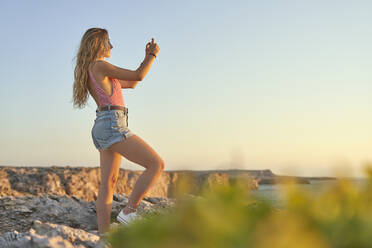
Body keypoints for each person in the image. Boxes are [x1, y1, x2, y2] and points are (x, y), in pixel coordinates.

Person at [72, 28, 164, 235]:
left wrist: (145, 57)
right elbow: (138, 76)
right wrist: (152, 55)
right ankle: (129, 211)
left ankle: (104, 235)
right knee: (156, 164)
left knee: (109, 183)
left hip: (102, 124)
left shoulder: (94, 69)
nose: (111, 47)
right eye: (108, 42)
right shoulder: (100, 65)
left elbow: (131, 82)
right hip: (112, 123)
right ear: (98, 44)